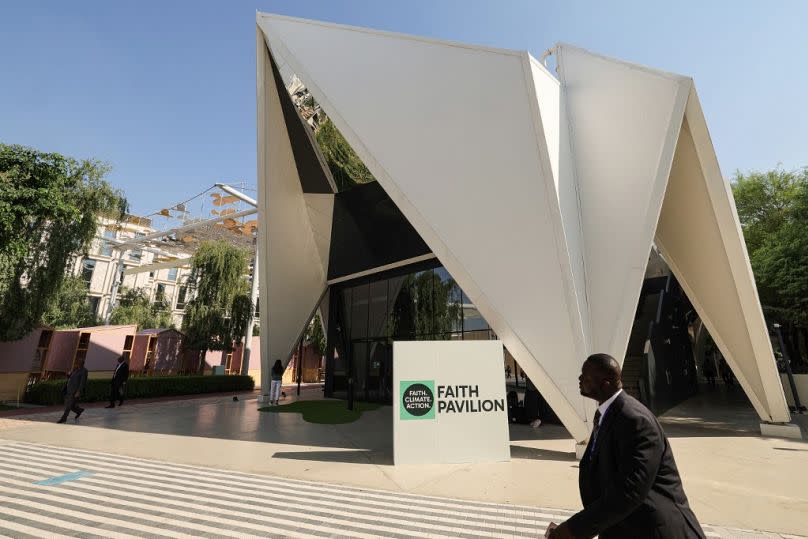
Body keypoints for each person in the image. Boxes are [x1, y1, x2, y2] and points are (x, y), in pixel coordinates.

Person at [545, 353, 705, 539]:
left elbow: (629, 491)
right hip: (625, 527)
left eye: (585, 375)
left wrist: (572, 530)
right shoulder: (606, 413)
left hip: (654, 531)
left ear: (605, 384)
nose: (580, 379)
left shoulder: (635, 420)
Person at [58, 358, 88, 424]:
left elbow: (82, 382)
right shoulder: (75, 369)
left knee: (68, 404)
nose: (78, 363)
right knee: (68, 404)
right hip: (68, 389)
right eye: (78, 362)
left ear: (82, 363)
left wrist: (78, 391)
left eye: (79, 362)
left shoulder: (84, 371)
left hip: (74, 391)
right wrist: (67, 374)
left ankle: (64, 418)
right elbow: (71, 377)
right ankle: (79, 410)